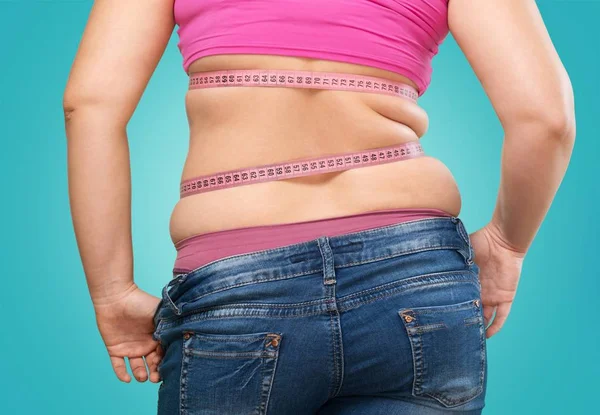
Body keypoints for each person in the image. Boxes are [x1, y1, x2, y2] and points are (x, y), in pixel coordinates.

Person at [63, 0, 575, 413]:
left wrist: (112, 294)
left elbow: (89, 107)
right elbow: (545, 119)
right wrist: (507, 246)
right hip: (416, 276)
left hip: (239, 280)